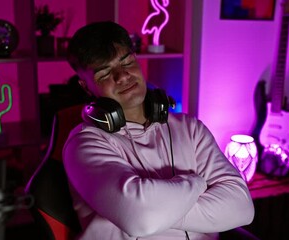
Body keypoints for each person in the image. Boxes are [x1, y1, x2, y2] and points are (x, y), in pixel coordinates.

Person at [63, 21, 255, 240]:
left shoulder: (190, 129)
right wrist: (198, 183)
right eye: (105, 74)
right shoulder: (84, 144)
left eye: (127, 62)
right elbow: (141, 217)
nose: (123, 76)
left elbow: (242, 208)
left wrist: (158, 208)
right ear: (86, 86)